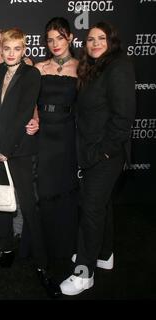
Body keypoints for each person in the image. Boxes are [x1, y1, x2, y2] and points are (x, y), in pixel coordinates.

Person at [0, 28, 61, 298]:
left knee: (29, 207)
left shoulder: (31, 74)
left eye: (17, 49)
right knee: (2, 205)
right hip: (0, 150)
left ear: (24, 50)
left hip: (21, 151)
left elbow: (23, 112)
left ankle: (42, 265)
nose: (11, 53)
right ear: (1, 51)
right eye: (7, 49)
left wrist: (5, 149)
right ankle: (5, 249)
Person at [60, 22, 136, 295]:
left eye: (101, 38)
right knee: (101, 206)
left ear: (111, 41)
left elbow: (124, 117)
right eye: (90, 39)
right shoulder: (96, 67)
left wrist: (103, 151)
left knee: (91, 210)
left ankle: (84, 272)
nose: (94, 43)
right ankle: (104, 254)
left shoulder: (119, 67)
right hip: (92, 151)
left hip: (106, 154)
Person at [0, 22, 36, 244]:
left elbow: (26, 109)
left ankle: (28, 245)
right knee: (1, 197)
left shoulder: (28, 69)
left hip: (17, 146)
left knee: (25, 199)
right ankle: (6, 244)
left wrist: (35, 119)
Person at [34, 17, 79, 260]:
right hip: (43, 134)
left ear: (70, 37)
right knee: (43, 190)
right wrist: (35, 119)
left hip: (67, 134)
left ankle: (65, 244)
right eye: (50, 40)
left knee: (65, 190)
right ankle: (44, 245)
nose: (55, 44)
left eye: (60, 38)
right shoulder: (39, 68)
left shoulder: (82, 68)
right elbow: (30, 102)